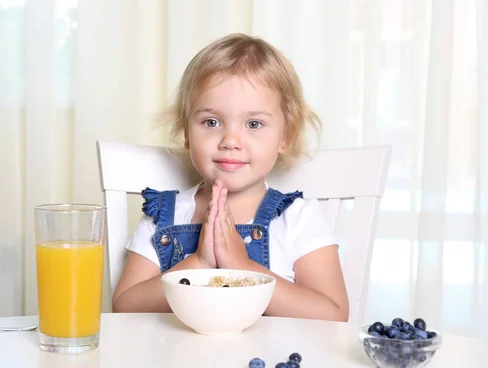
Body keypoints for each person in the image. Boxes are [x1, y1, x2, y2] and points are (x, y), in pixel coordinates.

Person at [112, 33, 349, 322]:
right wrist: (198, 262)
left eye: (254, 123)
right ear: (187, 134)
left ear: (284, 137)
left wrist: (242, 267)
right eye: (211, 122)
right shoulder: (164, 215)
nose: (230, 140)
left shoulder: (297, 218)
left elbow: (333, 314)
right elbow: (125, 304)